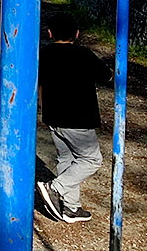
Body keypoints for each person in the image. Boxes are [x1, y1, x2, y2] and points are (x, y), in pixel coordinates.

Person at [36, 12, 113, 224]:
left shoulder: (43, 53)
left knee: (67, 159)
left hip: (53, 116)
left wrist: (44, 109)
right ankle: (54, 187)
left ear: (50, 33)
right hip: (78, 118)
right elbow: (107, 77)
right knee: (91, 160)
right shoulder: (84, 54)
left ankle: (71, 208)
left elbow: (39, 84)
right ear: (77, 34)